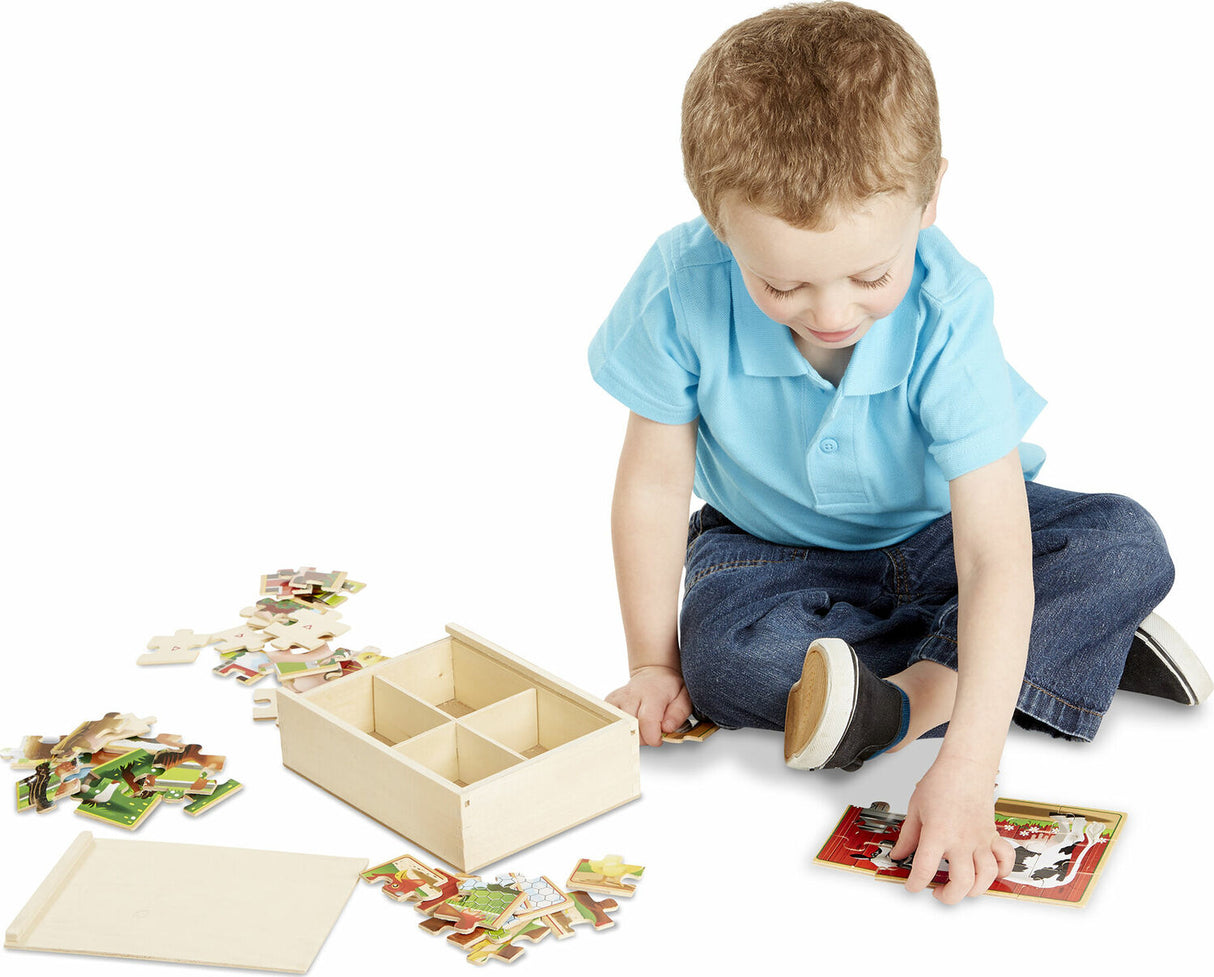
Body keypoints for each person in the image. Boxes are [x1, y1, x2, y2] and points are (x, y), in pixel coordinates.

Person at [588, 1, 1210, 904]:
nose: (833, 313)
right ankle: (1053, 654)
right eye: (782, 283)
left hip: (942, 534)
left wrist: (968, 771)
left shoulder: (950, 309)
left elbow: (995, 549)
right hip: (770, 548)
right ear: (718, 226)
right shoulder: (679, 286)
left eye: (872, 275)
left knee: (1125, 541)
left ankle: (918, 692)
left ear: (930, 197)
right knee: (725, 661)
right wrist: (653, 662)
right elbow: (652, 486)